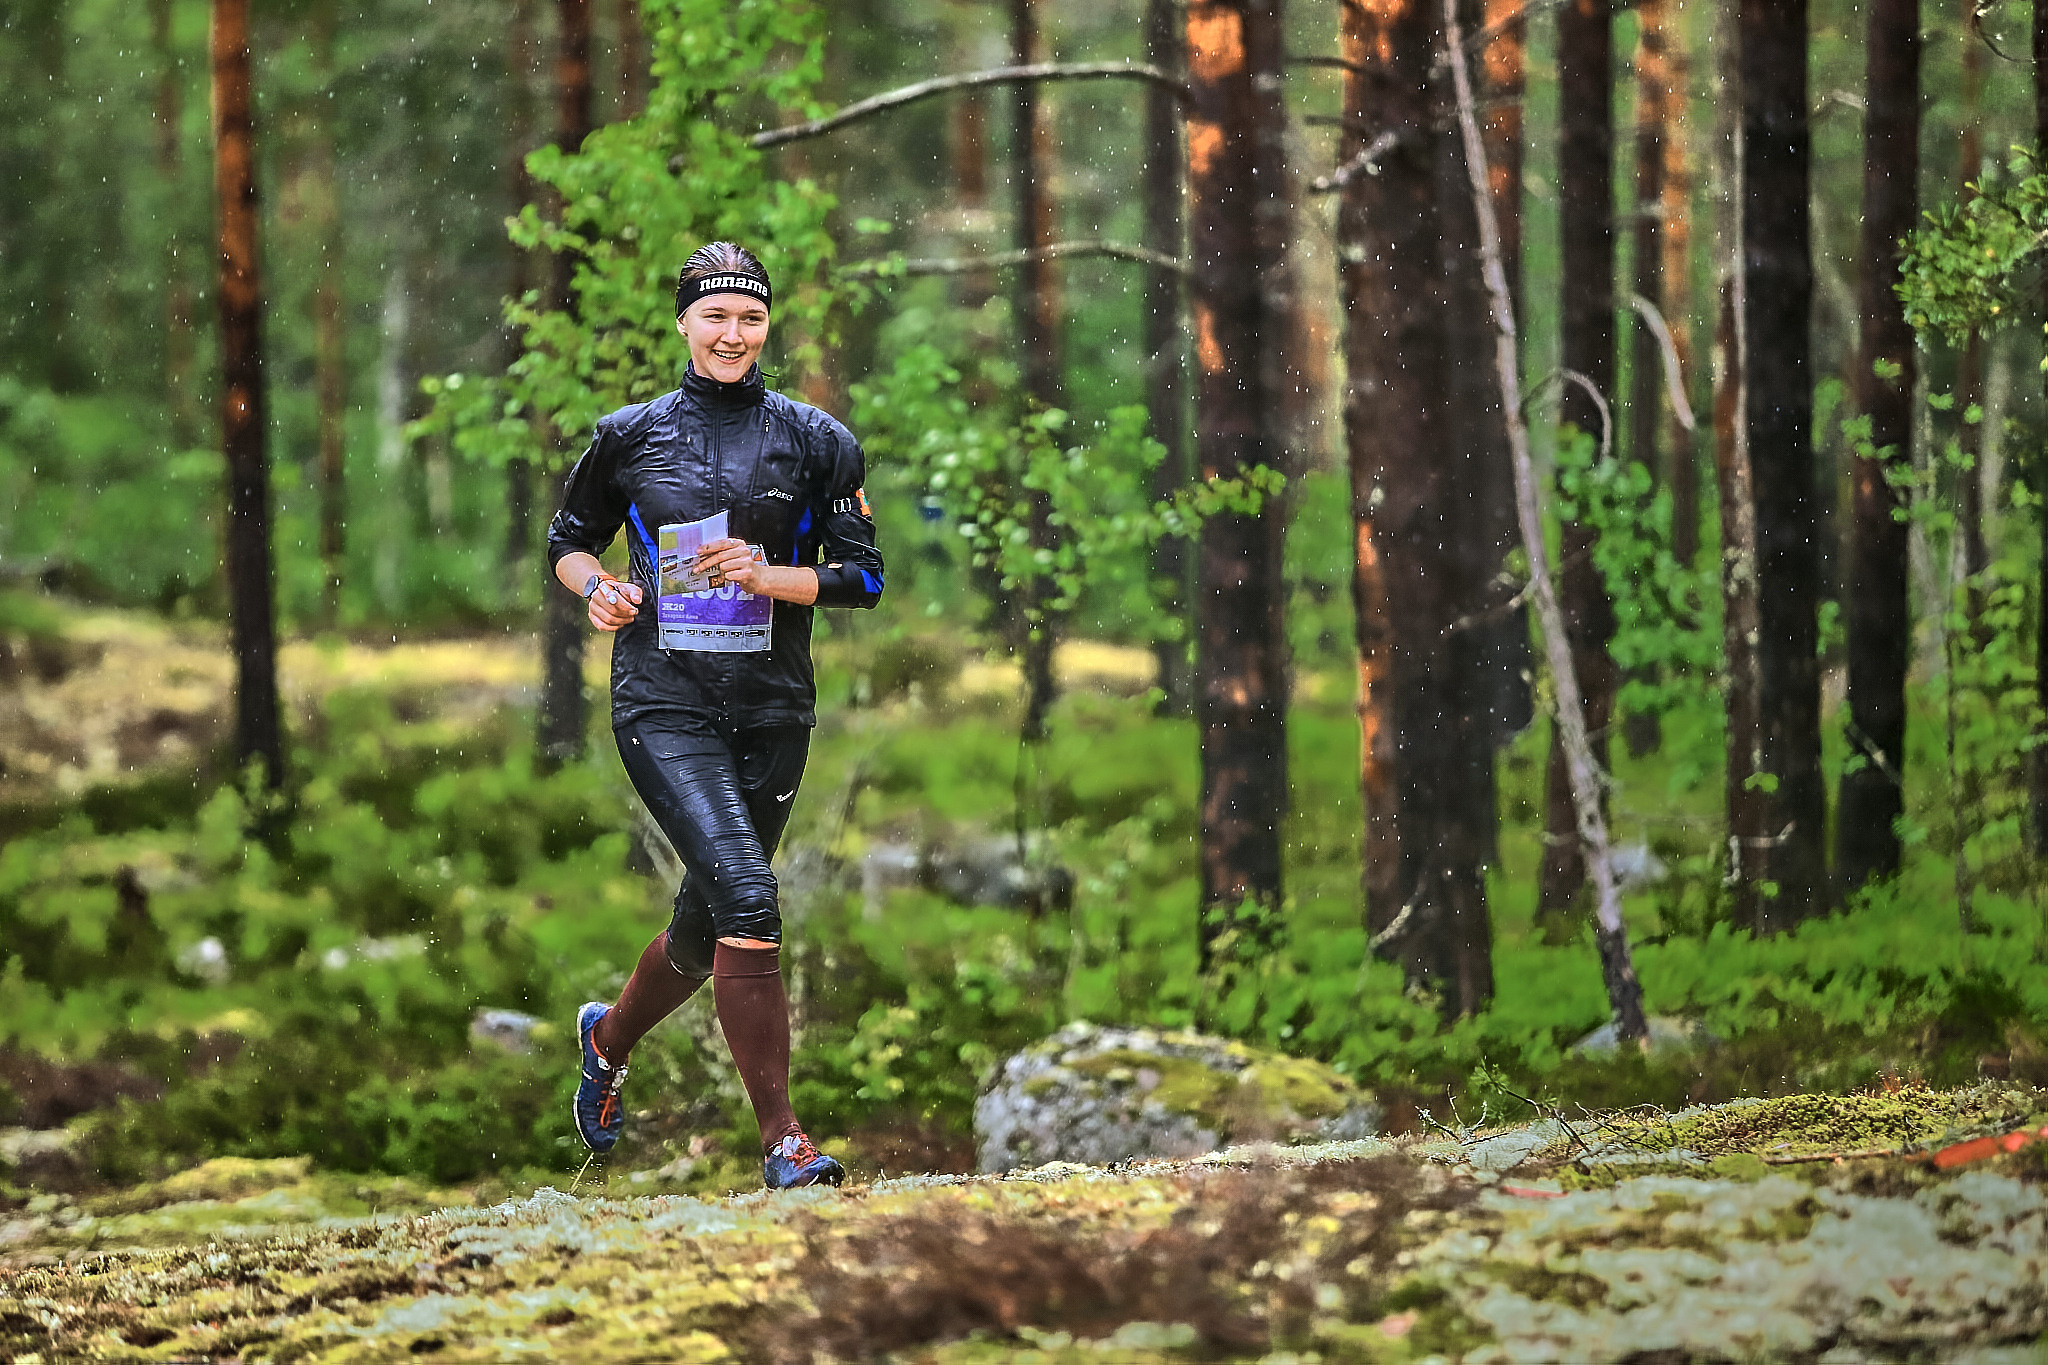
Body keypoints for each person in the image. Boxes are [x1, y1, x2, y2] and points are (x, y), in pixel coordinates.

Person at [546, 241, 883, 1190]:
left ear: (766, 325)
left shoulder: (819, 441)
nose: (733, 334)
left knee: (707, 929)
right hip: (664, 699)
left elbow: (865, 576)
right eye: (715, 316)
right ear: (684, 323)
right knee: (750, 899)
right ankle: (784, 1140)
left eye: (750, 318)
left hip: (773, 705)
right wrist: (599, 589)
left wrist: (768, 576)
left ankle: (606, 1044)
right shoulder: (630, 434)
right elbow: (568, 539)